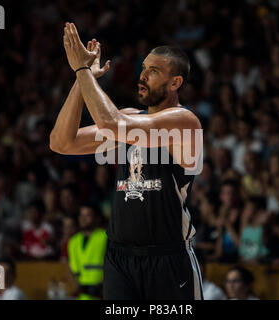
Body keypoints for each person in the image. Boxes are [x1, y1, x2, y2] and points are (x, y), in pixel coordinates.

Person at [50, 23, 203, 299]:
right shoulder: (132, 116)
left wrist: (83, 71)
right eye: (143, 68)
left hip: (167, 258)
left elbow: (112, 123)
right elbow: (61, 143)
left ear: (175, 82)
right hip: (120, 260)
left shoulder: (185, 122)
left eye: (153, 71)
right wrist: (80, 79)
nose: (142, 76)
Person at [67, 205, 107, 300]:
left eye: (88, 215)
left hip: (102, 292)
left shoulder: (105, 237)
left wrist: (103, 286)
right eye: (81, 215)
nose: (83, 219)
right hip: (83, 294)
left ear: (97, 218)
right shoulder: (73, 241)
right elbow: (71, 268)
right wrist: (77, 287)